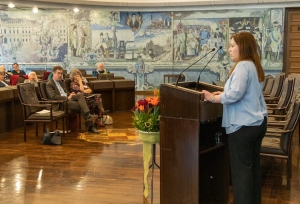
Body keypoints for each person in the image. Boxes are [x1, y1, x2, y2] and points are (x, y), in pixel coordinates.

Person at [202, 32, 268, 204]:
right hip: (257, 123)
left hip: (243, 126)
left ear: (243, 47)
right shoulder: (253, 65)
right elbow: (245, 92)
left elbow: (236, 95)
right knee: (252, 169)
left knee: (241, 174)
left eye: (232, 45)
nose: (229, 49)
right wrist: (224, 93)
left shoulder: (242, 66)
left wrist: (213, 98)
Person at [46, 66, 99, 134]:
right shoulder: (49, 84)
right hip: (60, 103)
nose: (60, 75)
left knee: (80, 95)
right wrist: (67, 98)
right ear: (53, 73)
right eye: (58, 73)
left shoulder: (61, 82)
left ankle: (89, 118)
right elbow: (53, 96)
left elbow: (65, 92)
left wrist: (71, 94)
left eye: (61, 73)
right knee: (82, 105)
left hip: (68, 99)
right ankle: (90, 126)